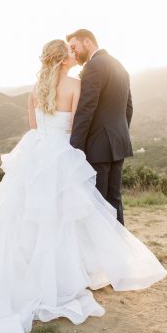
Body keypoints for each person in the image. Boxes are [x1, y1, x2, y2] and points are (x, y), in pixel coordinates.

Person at [0, 39, 166, 333]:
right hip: (60, 153)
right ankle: (60, 278)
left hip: (36, 150)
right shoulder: (74, 85)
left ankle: (27, 275)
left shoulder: (36, 88)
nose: (74, 54)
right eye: (69, 52)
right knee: (61, 218)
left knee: (23, 217)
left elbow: (34, 126)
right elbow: (77, 125)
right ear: (64, 59)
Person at [67, 29, 133, 226]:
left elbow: (86, 109)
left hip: (98, 147)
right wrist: (117, 134)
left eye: (73, 47)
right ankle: (119, 249)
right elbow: (128, 108)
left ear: (87, 42)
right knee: (114, 200)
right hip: (118, 143)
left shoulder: (94, 66)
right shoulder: (119, 65)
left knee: (98, 203)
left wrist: (74, 148)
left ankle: (100, 254)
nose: (73, 52)